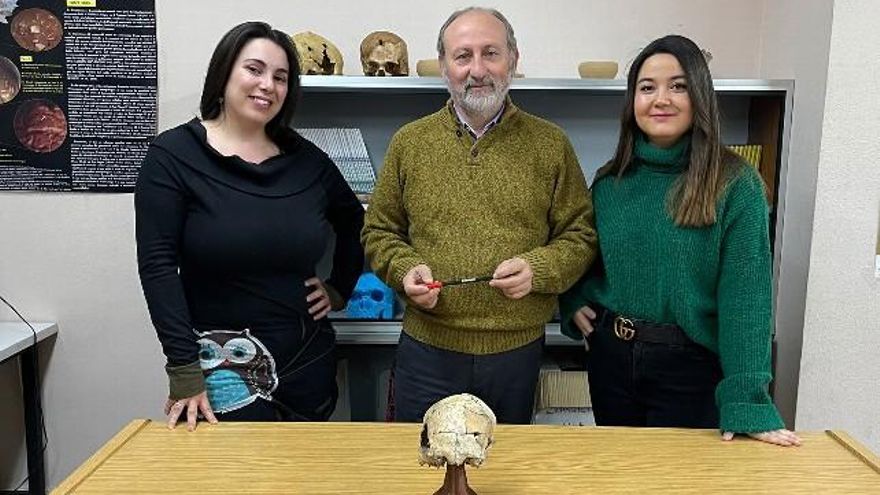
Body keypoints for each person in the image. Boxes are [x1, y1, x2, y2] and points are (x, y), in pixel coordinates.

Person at [560, 35, 800, 446]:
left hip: (690, 370)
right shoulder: (610, 182)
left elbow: (746, 299)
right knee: (615, 480)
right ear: (632, 101)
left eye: (678, 86)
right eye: (647, 87)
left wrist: (747, 401)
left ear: (700, 96)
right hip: (611, 363)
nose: (661, 99)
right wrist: (572, 298)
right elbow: (585, 255)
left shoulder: (736, 185)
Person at [361, 7, 597, 424]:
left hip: (515, 353)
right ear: (445, 67)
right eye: (463, 56)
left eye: (491, 53)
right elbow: (379, 230)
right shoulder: (410, 143)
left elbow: (580, 234)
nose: (478, 69)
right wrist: (405, 268)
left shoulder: (551, 144)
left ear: (513, 60)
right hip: (427, 348)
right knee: (420, 470)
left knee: (502, 472)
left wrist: (537, 269)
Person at [135, 21, 364, 430]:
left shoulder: (306, 161)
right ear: (224, 73)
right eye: (254, 69)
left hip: (305, 363)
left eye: (281, 77)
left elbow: (354, 220)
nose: (268, 85)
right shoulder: (173, 156)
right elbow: (157, 267)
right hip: (218, 372)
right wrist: (183, 369)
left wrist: (340, 288)